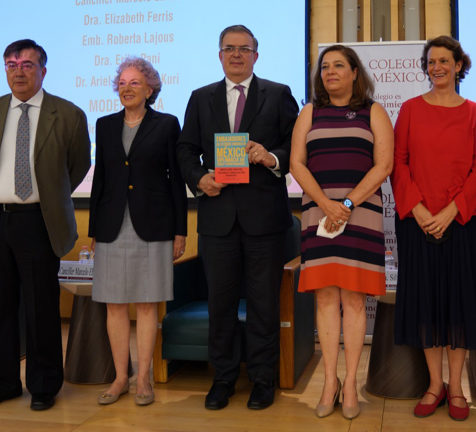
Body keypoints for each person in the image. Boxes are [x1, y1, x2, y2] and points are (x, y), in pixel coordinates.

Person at [176, 24, 299, 411]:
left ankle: (263, 379)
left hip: (265, 219)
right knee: (221, 303)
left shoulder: (279, 95)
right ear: (219, 55)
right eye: (229, 48)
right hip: (217, 218)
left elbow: (296, 147)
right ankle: (223, 378)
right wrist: (200, 178)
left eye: (244, 49)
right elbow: (184, 150)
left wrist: (271, 156)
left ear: (256, 55)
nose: (236, 54)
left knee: (264, 304)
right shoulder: (200, 98)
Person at [0, 39, 91, 411]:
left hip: (38, 222)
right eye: (11, 64)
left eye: (27, 65)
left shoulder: (67, 114)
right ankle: (3, 382)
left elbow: (77, 167)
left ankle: (44, 384)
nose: (18, 71)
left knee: (41, 308)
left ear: (43, 71)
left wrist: (47, 195)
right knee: (0, 307)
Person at [290, 45, 393, 419]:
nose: (330, 72)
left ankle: (350, 382)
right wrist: (328, 205)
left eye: (338, 66)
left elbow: (384, 165)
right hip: (319, 212)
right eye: (325, 67)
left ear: (354, 73)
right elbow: (296, 164)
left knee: (353, 298)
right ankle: (329, 381)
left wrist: (347, 205)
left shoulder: (373, 112)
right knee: (324, 298)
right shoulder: (309, 112)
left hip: (360, 214)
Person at [390, 36, 476, 422]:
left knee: (458, 304)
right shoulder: (411, 110)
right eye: (431, 61)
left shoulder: (475, 113)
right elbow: (398, 163)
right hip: (416, 223)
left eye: (445, 60)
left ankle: (458, 388)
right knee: (427, 303)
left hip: (461, 222)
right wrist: (417, 209)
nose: (437, 67)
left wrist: (451, 211)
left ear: (459, 65)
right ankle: (435, 385)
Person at [88, 57, 187, 406]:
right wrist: (93, 230)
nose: (126, 88)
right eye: (122, 82)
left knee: (147, 304)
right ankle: (120, 378)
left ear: (150, 89)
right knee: (114, 304)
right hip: (112, 225)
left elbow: (176, 180)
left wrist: (180, 229)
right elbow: (101, 178)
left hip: (155, 224)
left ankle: (143, 378)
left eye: (134, 83)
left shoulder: (167, 124)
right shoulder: (103, 124)